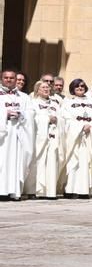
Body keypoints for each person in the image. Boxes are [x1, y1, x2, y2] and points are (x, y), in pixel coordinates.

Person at [60, 79, 92, 199]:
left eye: (82, 86)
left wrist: (91, 125)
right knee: (73, 162)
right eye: (77, 86)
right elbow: (65, 118)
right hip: (75, 136)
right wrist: (80, 126)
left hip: (89, 135)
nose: (80, 88)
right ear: (72, 89)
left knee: (86, 162)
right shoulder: (67, 102)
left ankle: (83, 190)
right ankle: (70, 189)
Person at [0, 69, 33, 200]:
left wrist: (21, 114)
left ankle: (13, 191)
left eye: (12, 78)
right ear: (1, 79)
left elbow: (31, 113)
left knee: (15, 162)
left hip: (17, 134)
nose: (9, 80)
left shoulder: (23, 97)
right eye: (6, 78)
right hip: (3, 134)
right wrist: (4, 114)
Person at [28, 81, 60, 198]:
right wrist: (47, 119)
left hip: (52, 137)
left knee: (51, 162)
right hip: (40, 137)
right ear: (37, 90)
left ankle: (49, 191)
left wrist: (57, 120)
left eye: (47, 87)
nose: (46, 89)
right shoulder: (33, 103)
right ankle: (34, 190)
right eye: (43, 87)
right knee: (38, 162)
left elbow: (61, 117)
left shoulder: (55, 103)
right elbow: (32, 117)